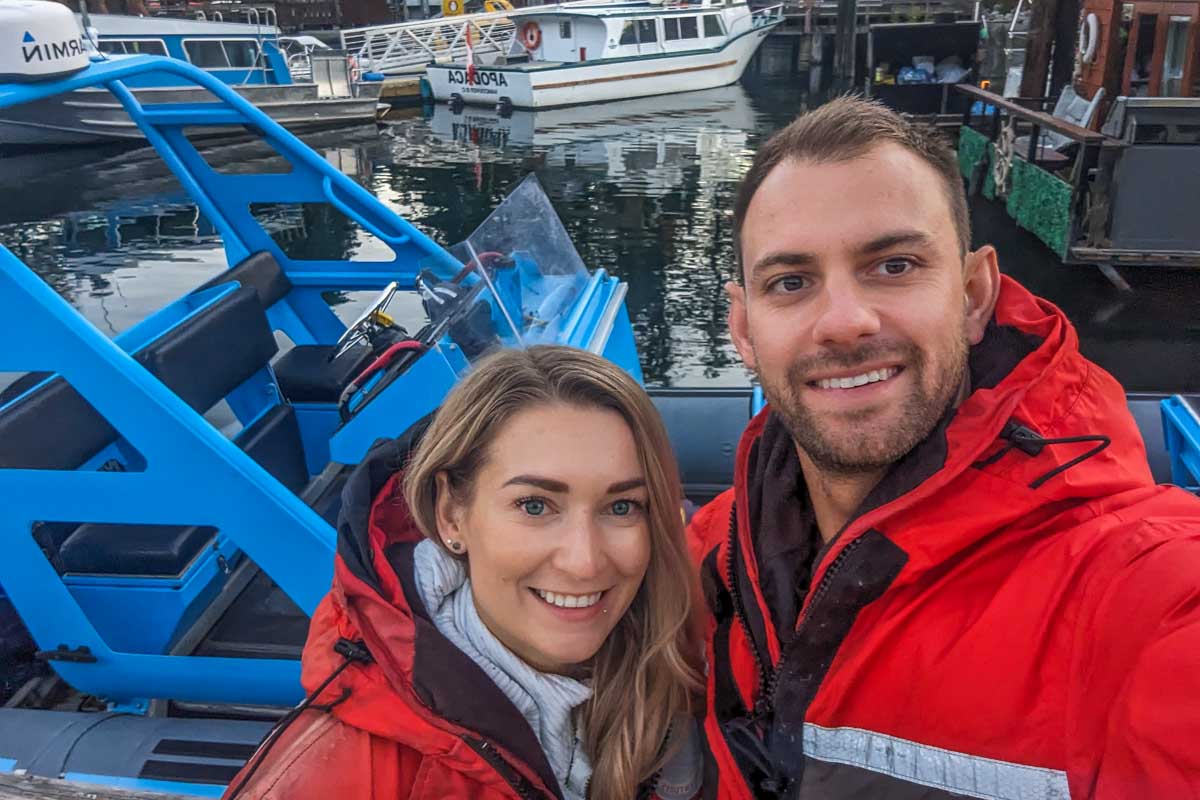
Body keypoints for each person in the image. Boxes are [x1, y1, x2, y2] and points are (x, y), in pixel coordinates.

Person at [688, 96, 1200, 799]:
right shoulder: (699, 556)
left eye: (894, 265)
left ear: (974, 294)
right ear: (745, 330)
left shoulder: (1134, 596)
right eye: (791, 283)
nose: (844, 321)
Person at [224, 345, 705, 800]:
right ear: (452, 515)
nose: (585, 562)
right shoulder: (333, 773)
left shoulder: (672, 647)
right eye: (534, 505)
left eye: (621, 506)